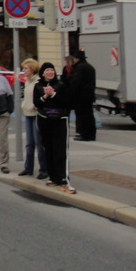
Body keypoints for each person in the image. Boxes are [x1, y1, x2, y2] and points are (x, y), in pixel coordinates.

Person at [33, 62, 75, 193]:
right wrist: (45, 96)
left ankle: (64, 178)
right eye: (47, 70)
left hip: (60, 120)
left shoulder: (61, 85)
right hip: (44, 120)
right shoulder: (38, 86)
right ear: (43, 73)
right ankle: (53, 176)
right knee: (48, 148)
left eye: (52, 70)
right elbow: (37, 103)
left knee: (60, 149)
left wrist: (54, 95)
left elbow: (67, 102)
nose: (50, 72)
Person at [19, 58, 48, 179]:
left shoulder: (38, 82)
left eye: (25, 68)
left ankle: (44, 169)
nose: (23, 71)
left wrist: (35, 105)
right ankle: (28, 167)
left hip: (36, 114)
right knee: (29, 143)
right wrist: (24, 105)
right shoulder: (27, 81)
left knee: (39, 142)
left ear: (32, 69)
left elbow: (42, 98)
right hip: (27, 114)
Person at [71, 50, 96, 141]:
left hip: (81, 96)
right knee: (89, 115)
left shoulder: (79, 68)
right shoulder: (90, 67)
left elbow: (77, 82)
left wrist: (72, 91)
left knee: (82, 116)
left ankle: (84, 134)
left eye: (74, 58)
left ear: (77, 59)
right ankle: (91, 134)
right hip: (89, 95)